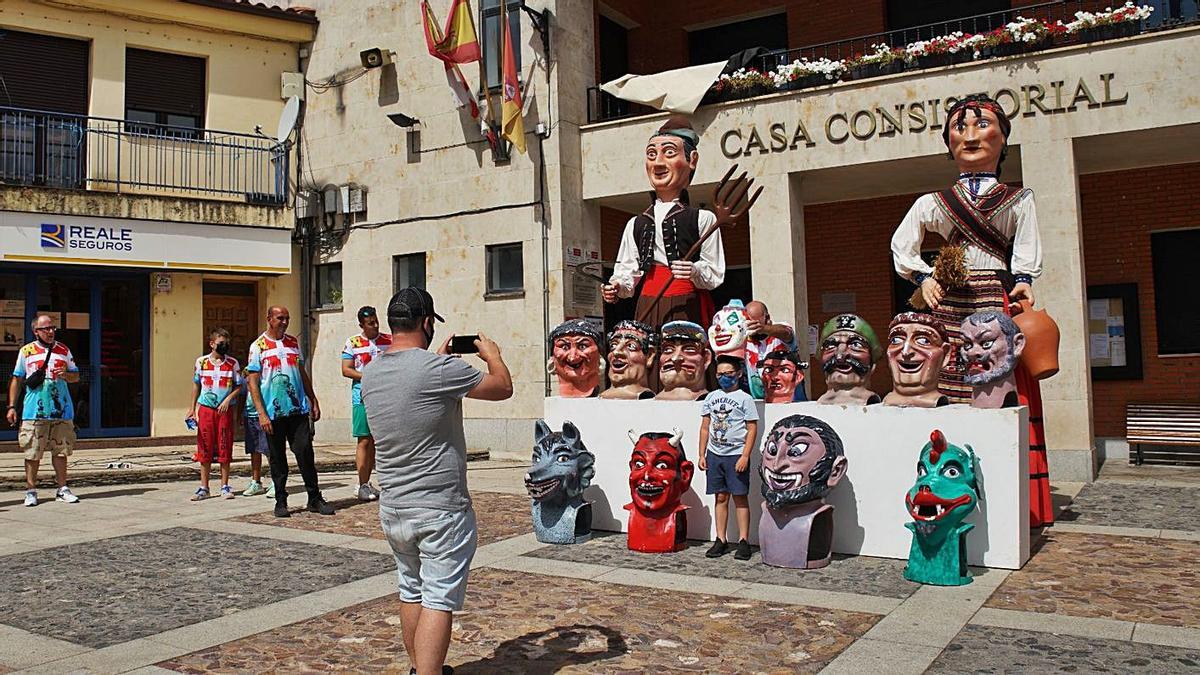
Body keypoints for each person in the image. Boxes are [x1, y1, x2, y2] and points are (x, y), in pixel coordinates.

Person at [888, 93, 1052, 526]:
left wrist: (1022, 282)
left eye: (982, 125)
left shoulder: (1018, 200)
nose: (971, 135)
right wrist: (924, 277)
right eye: (960, 127)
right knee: (941, 374)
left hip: (993, 298)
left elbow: (1027, 250)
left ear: (1003, 139)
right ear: (948, 144)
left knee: (994, 380)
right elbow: (902, 245)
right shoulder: (932, 203)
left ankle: (1001, 484)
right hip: (949, 297)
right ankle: (939, 473)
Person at [361, 287, 513, 675]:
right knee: (438, 598)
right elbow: (502, 388)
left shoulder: (372, 370)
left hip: (394, 505)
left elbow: (413, 394)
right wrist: (493, 356)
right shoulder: (441, 371)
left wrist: (436, 362)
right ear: (427, 323)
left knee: (411, 589)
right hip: (439, 509)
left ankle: (417, 667)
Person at [602, 115, 725, 328]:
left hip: (685, 302)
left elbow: (714, 271)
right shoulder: (636, 223)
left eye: (669, 153)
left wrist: (694, 270)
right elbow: (627, 269)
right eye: (651, 154)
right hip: (647, 302)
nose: (658, 163)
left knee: (682, 357)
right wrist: (617, 286)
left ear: (692, 160)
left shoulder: (703, 218)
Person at [246, 305, 334, 518]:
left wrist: (312, 399)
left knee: (305, 453)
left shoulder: (293, 343)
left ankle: (314, 497)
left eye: (287, 318)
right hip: (273, 413)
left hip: (297, 410)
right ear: (269, 318)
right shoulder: (258, 346)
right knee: (278, 458)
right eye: (280, 318)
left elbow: (301, 373)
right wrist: (261, 413)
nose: (284, 322)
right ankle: (281, 500)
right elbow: (253, 382)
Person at [6, 315, 81, 506]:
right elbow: (17, 379)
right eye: (46, 328)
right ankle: (31, 490)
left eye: (52, 328)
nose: (50, 331)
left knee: (61, 450)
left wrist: (67, 375)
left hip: (61, 409)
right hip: (34, 411)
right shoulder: (27, 351)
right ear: (36, 331)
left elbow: (76, 376)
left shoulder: (63, 350)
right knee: (33, 452)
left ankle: (62, 488)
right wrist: (12, 406)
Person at [698, 355, 758, 561]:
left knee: (740, 497)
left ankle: (743, 540)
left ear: (739, 374)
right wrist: (701, 454)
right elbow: (705, 427)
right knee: (720, 497)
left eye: (729, 374)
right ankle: (720, 539)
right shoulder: (711, 397)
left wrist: (745, 455)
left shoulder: (745, 398)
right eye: (720, 374)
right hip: (715, 455)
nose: (724, 377)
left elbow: (751, 429)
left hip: (736, 455)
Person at [341, 305, 392, 501]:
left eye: (376, 321)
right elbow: (346, 369)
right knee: (364, 439)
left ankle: (380, 483)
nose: (375, 325)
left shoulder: (389, 340)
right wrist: (368, 376)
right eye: (370, 323)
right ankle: (361, 484)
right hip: (362, 396)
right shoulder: (352, 342)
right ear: (361, 324)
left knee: (380, 441)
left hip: (385, 397)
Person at [186, 328, 243, 501]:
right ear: (212, 344)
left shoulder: (233, 363)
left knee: (224, 445)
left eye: (226, 343)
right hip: (206, 409)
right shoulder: (201, 362)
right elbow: (197, 385)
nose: (224, 346)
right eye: (220, 343)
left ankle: (225, 485)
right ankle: (204, 487)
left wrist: (228, 400)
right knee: (205, 446)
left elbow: (239, 386)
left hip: (224, 411)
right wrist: (191, 408)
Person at [743, 300, 799, 399]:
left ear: (767, 318)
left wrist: (763, 328)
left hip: (790, 400)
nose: (752, 328)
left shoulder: (779, 334)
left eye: (755, 323)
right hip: (760, 403)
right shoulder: (745, 341)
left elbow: (786, 333)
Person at [240, 367, 273, 498]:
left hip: (264, 416)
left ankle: (275, 481)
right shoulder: (246, 377)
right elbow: (243, 396)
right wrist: (240, 416)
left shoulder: (265, 377)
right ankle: (256, 481)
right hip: (250, 416)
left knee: (269, 450)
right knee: (254, 450)